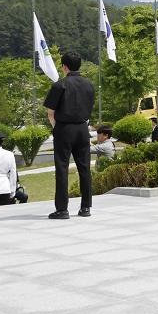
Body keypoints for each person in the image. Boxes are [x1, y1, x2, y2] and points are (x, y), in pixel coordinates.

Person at [43, 52, 95, 219]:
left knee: (62, 168)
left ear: (64, 66)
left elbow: (50, 113)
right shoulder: (89, 84)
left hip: (64, 128)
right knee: (85, 168)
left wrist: (57, 128)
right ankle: (86, 207)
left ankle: (62, 209)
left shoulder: (60, 85)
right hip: (82, 128)